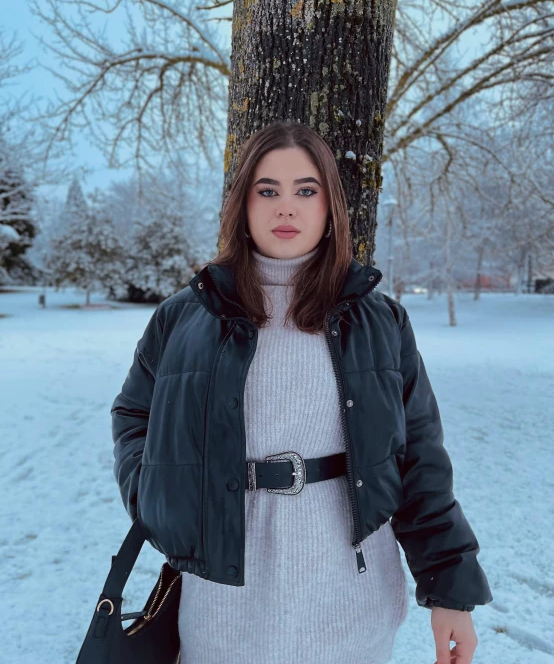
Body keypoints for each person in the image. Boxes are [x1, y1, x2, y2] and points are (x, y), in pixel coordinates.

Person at [111, 120, 492, 664]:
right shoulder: (184, 317)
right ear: (243, 203)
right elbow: (134, 417)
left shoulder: (379, 321)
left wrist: (451, 590)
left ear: (329, 204)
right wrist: (157, 498)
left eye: (305, 190)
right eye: (267, 190)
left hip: (350, 595)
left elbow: (420, 458)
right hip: (223, 600)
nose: (285, 208)